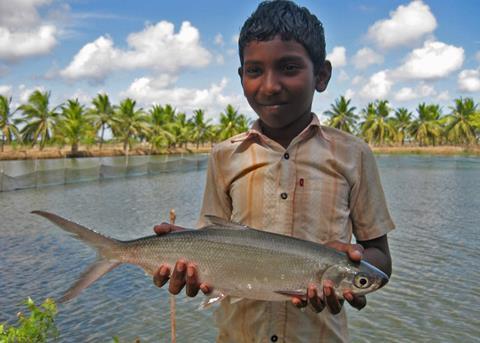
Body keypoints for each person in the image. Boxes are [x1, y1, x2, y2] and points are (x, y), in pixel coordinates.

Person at [152, 1, 394, 341]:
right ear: (241, 77)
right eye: (254, 71)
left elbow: (380, 258)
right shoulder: (224, 156)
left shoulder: (354, 155)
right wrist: (187, 261)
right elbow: (215, 241)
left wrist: (354, 265)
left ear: (321, 75)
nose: (269, 85)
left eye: (289, 67)